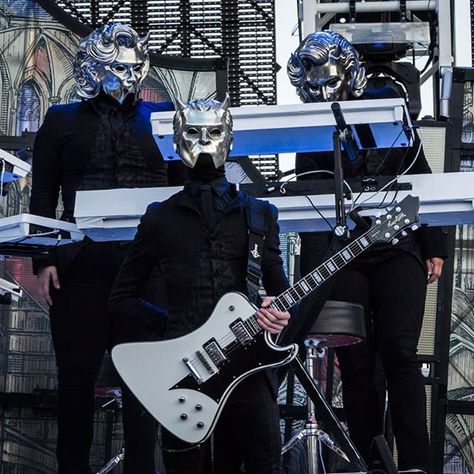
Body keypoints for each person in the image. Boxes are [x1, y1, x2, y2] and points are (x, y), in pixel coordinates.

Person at [287, 31, 448, 473]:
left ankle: (416, 464)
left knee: (399, 351)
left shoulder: (385, 102)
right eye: (314, 85)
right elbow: (313, 206)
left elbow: (423, 179)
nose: (324, 91)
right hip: (346, 253)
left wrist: (434, 246)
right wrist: (314, 278)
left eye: (330, 79)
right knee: (356, 359)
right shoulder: (312, 130)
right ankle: (369, 461)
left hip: (398, 246)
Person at [109, 97, 291, 474]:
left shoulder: (260, 214)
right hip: (185, 374)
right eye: (193, 132)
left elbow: (282, 291)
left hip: (250, 371)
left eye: (214, 132)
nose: (204, 142)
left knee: (265, 466)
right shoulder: (159, 218)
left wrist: (279, 315)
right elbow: (121, 298)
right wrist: (172, 331)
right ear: (177, 141)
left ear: (230, 140)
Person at [29, 23, 172, 474]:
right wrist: (44, 259)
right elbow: (42, 194)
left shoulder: (163, 117)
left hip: (147, 269)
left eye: (131, 70)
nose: (125, 78)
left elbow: (181, 191)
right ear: (94, 67)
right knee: (75, 383)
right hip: (80, 265)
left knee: (144, 385)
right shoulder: (61, 120)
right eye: (114, 68)